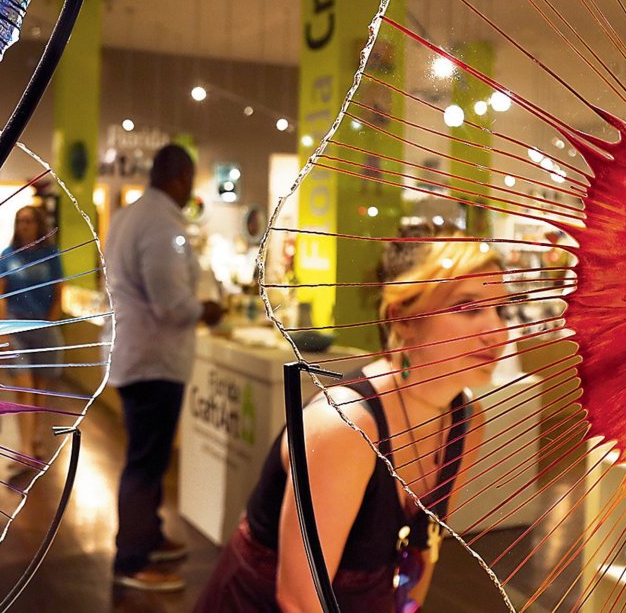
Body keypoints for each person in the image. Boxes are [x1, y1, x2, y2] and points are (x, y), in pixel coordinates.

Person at [195, 238, 508, 612]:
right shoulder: (344, 425)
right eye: (468, 308)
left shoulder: (467, 424)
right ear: (403, 320)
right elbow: (298, 599)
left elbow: (423, 551)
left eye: (502, 310)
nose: (497, 331)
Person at [106, 143, 224, 591]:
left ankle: (148, 535)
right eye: (190, 178)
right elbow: (170, 302)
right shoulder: (158, 223)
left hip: (140, 355)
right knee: (145, 462)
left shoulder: (131, 215)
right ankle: (131, 560)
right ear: (178, 176)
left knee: (148, 458)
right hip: (153, 360)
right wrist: (205, 310)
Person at [0, 204, 64, 468]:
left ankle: (34, 439)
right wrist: (2, 329)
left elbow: (58, 292)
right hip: (16, 328)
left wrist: (51, 322)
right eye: (20, 221)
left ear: (38, 224)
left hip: (43, 328)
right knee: (23, 388)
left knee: (39, 389)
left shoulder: (51, 254)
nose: (24, 226)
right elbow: (0, 293)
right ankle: (24, 449)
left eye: (29, 221)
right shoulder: (7, 256)